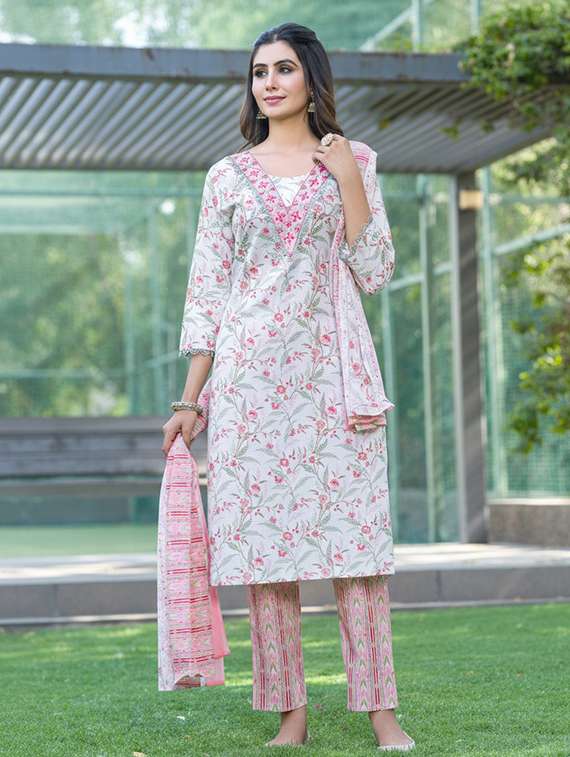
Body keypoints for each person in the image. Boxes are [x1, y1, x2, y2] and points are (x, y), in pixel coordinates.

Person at [162, 21, 415, 752]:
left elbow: (375, 270)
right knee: (266, 559)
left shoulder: (355, 160)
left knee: (358, 554)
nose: (268, 83)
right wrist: (190, 399)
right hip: (250, 385)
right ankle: (290, 714)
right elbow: (208, 291)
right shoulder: (227, 177)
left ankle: (382, 712)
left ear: (310, 78)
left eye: (282, 69)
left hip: (335, 380)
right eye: (258, 72)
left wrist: (346, 180)